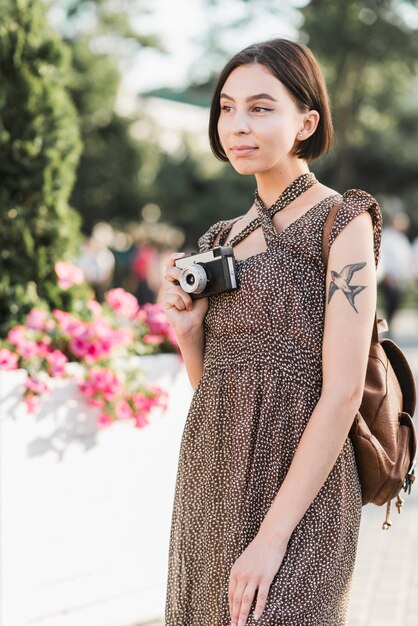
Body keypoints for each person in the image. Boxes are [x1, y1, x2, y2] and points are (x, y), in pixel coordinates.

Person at [161, 38, 382, 626]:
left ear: (306, 121)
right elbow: (217, 389)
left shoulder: (343, 220)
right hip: (213, 474)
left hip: (304, 493)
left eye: (261, 108)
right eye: (227, 108)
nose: (238, 125)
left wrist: (272, 538)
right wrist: (188, 336)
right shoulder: (219, 240)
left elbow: (342, 392)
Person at [379, 212, 413, 328]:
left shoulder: (401, 238)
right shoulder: (386, 236)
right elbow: (382, 256)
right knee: (390, 303)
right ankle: (386, 326)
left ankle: (389, 325)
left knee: (395, 304)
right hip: (388, 277)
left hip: (399, 278)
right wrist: (386, 275)